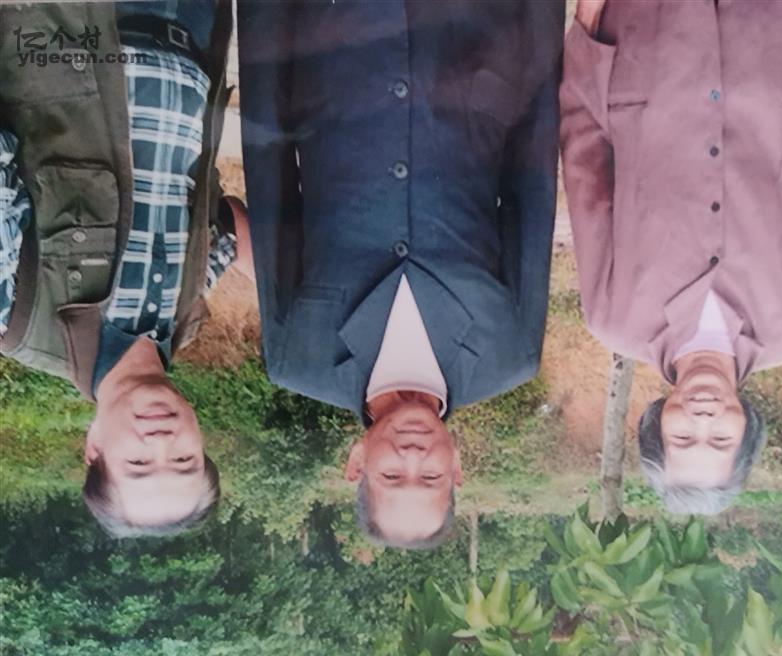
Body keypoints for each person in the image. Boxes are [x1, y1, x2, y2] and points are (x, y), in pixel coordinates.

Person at [238, 0, 564, 548]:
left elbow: (269, 171)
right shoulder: (509, 354)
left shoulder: (299, 358)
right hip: (471, 35)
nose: (413, 456)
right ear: (456, 469)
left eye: (392, 476)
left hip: (338, 35)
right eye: (430, 477)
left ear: (356, 463)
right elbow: (533, 179)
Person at [560, 0, 782, 513]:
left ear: (656, 422)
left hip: (651, 43)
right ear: (747, 429)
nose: (703, 419)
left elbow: (584, 159)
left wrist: (586, 29)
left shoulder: (614, 318)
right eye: (719, 440)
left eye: (683, 437)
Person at [0, 0, 250, 536]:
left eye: (138, 464)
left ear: (93, 448)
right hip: (193, 26)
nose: (161, 444)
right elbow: (225, 228)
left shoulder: (18, 322)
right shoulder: (184, 321)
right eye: (183, 460)